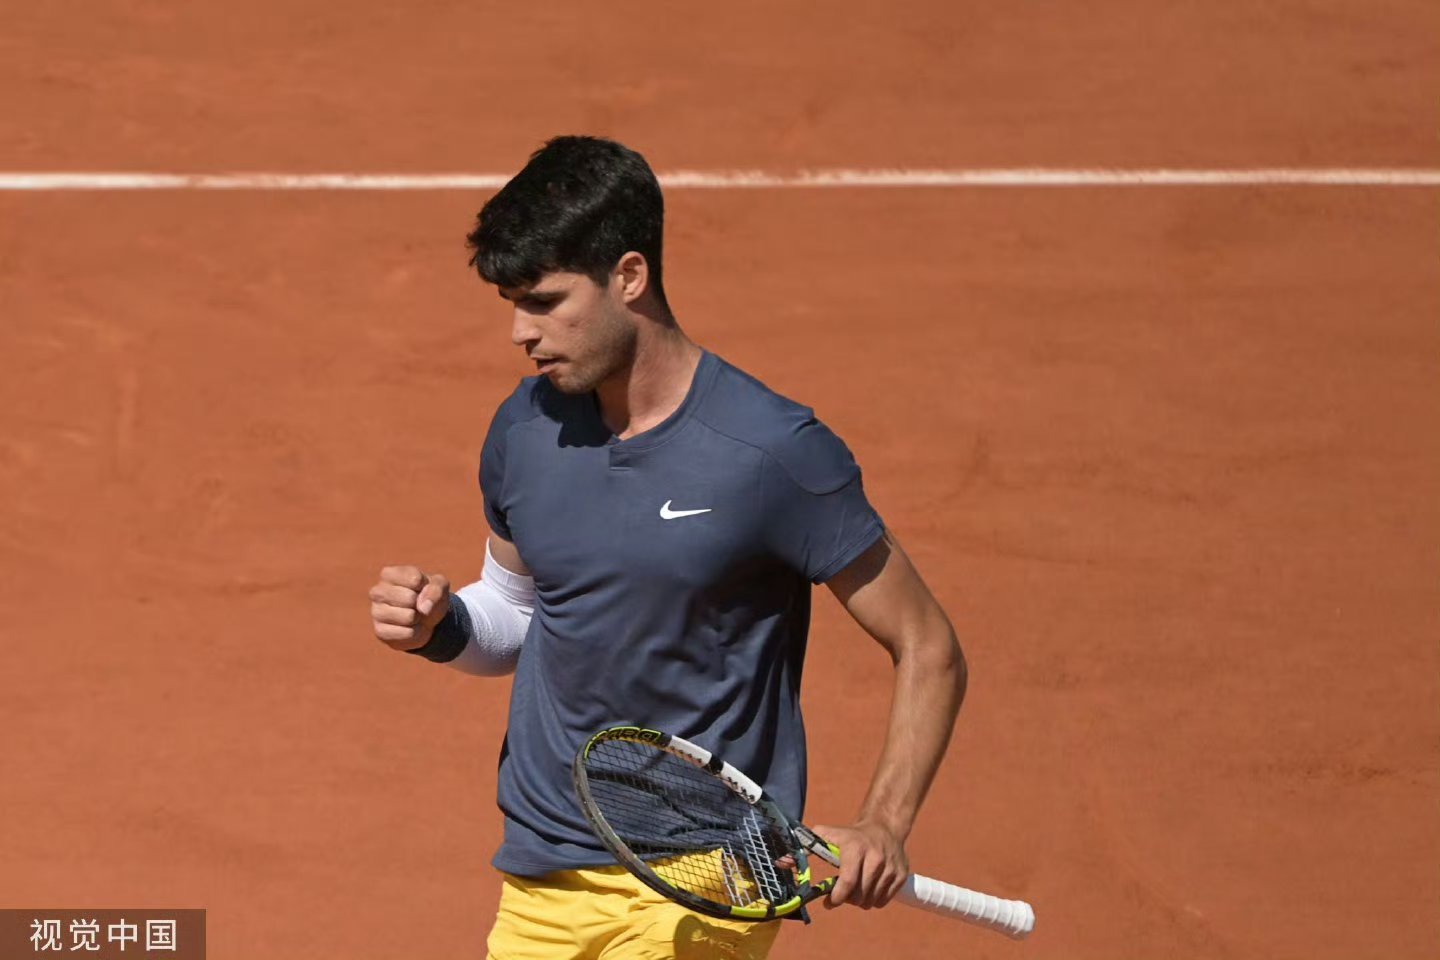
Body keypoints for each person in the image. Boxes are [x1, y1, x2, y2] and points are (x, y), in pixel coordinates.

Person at [367, 135, 967, 960]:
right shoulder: (526, 428)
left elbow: (928, 644)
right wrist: (441, 628)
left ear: (629, 276)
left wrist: (884, 822)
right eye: (512, 303)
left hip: (705, 876)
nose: (519, 332)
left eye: (544, 301)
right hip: (543, 871)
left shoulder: (770, 452)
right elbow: (517, 612)